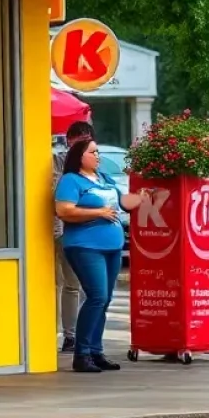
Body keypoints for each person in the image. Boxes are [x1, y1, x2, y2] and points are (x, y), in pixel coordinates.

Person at [55, 139, 147, 373]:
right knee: (96, 296)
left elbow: (122, 202)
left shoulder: (104, 178)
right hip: (85, 246)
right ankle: (82, 354)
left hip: (112, 246)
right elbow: (64, 210)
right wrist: (98, 212)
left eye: (98, 152)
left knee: (104, 299)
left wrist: (141, 196)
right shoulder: (71, 181)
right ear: (80, 156)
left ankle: (96, 351)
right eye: (93, 152)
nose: (98, 156)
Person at [54, 121, 93, 352]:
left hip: (85, 232)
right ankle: (64, 334)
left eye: (86, 140)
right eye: (77, 139)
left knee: (77, 285)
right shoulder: (57, 162)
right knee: (63, 283)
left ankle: (75, 335)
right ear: (68, 140)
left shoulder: (93, 168)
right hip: (61, 229)